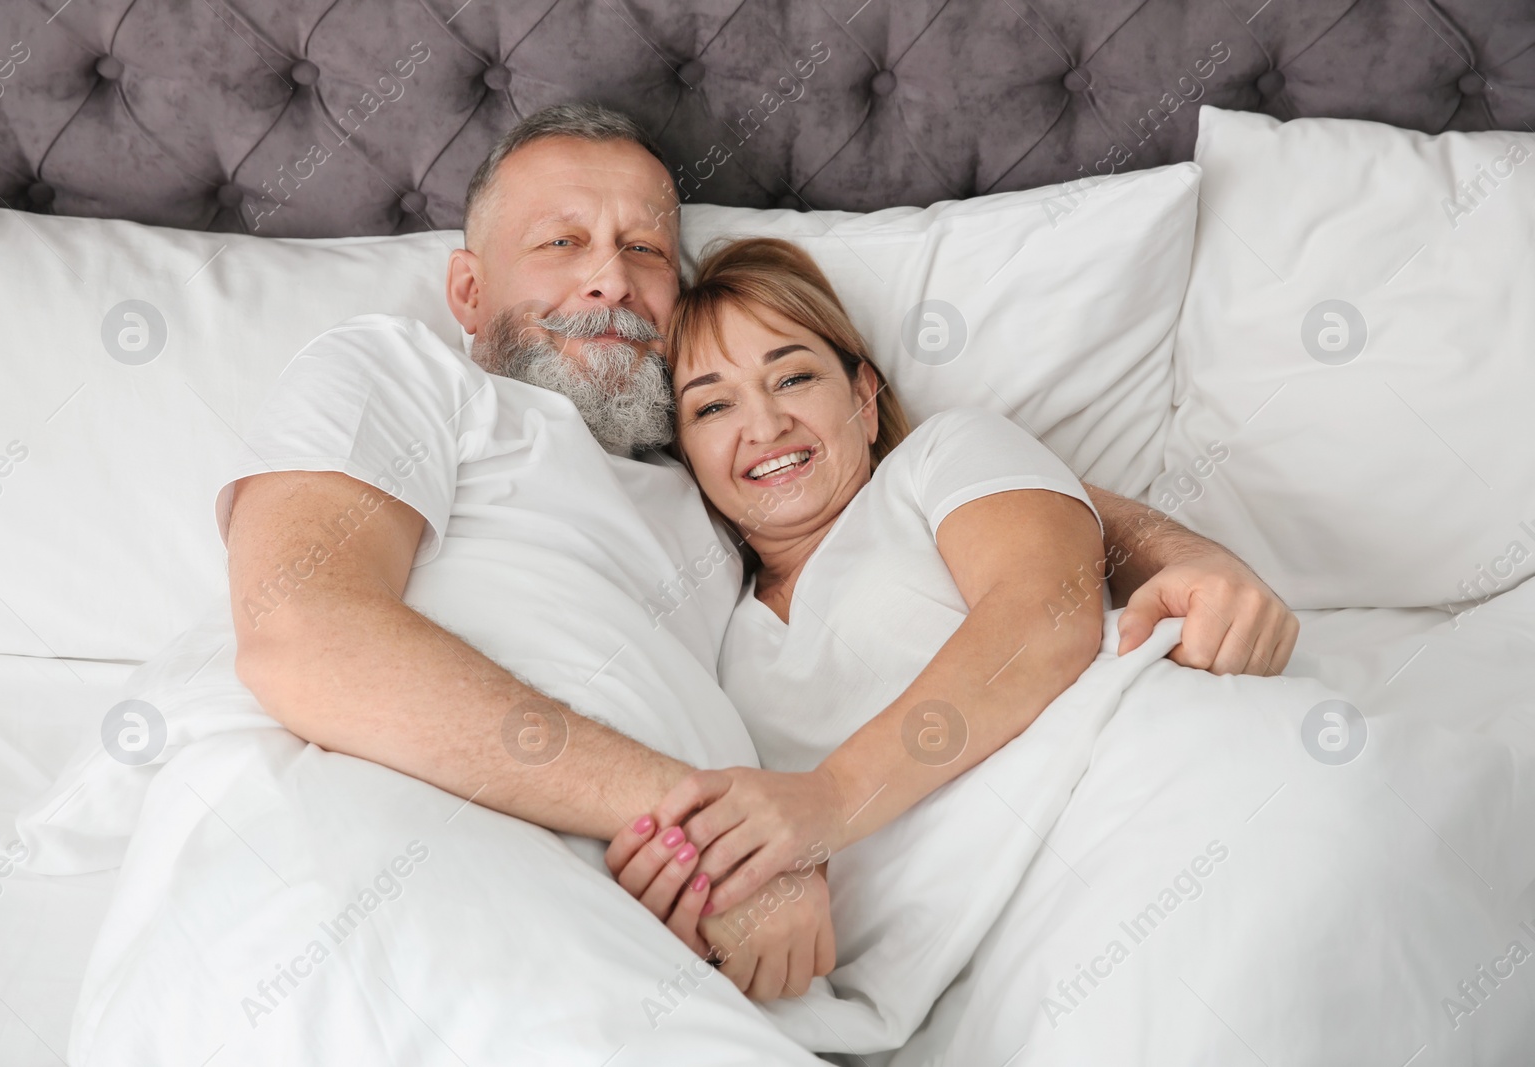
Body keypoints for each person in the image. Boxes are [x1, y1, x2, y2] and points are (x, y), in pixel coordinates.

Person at [222, 103, 1299, 1002]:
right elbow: (301, 631)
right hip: (452, 853)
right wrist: (704, 829)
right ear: (466, 291)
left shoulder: (704, 492)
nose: (608, 279)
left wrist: (1184, 547)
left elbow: (991, 503)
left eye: (644, 249)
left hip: (703, 924)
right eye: (559, 242)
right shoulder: (407, 373)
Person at [606, 236, 1108, 997]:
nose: (766, 424)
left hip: (1109, 812)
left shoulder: (939, 461)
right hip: (962, 972)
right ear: (687, 456)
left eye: (794, 376)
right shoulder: (716, 644)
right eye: (713, 404)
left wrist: (831, 798)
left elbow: (1049, 616)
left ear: (865, 398)